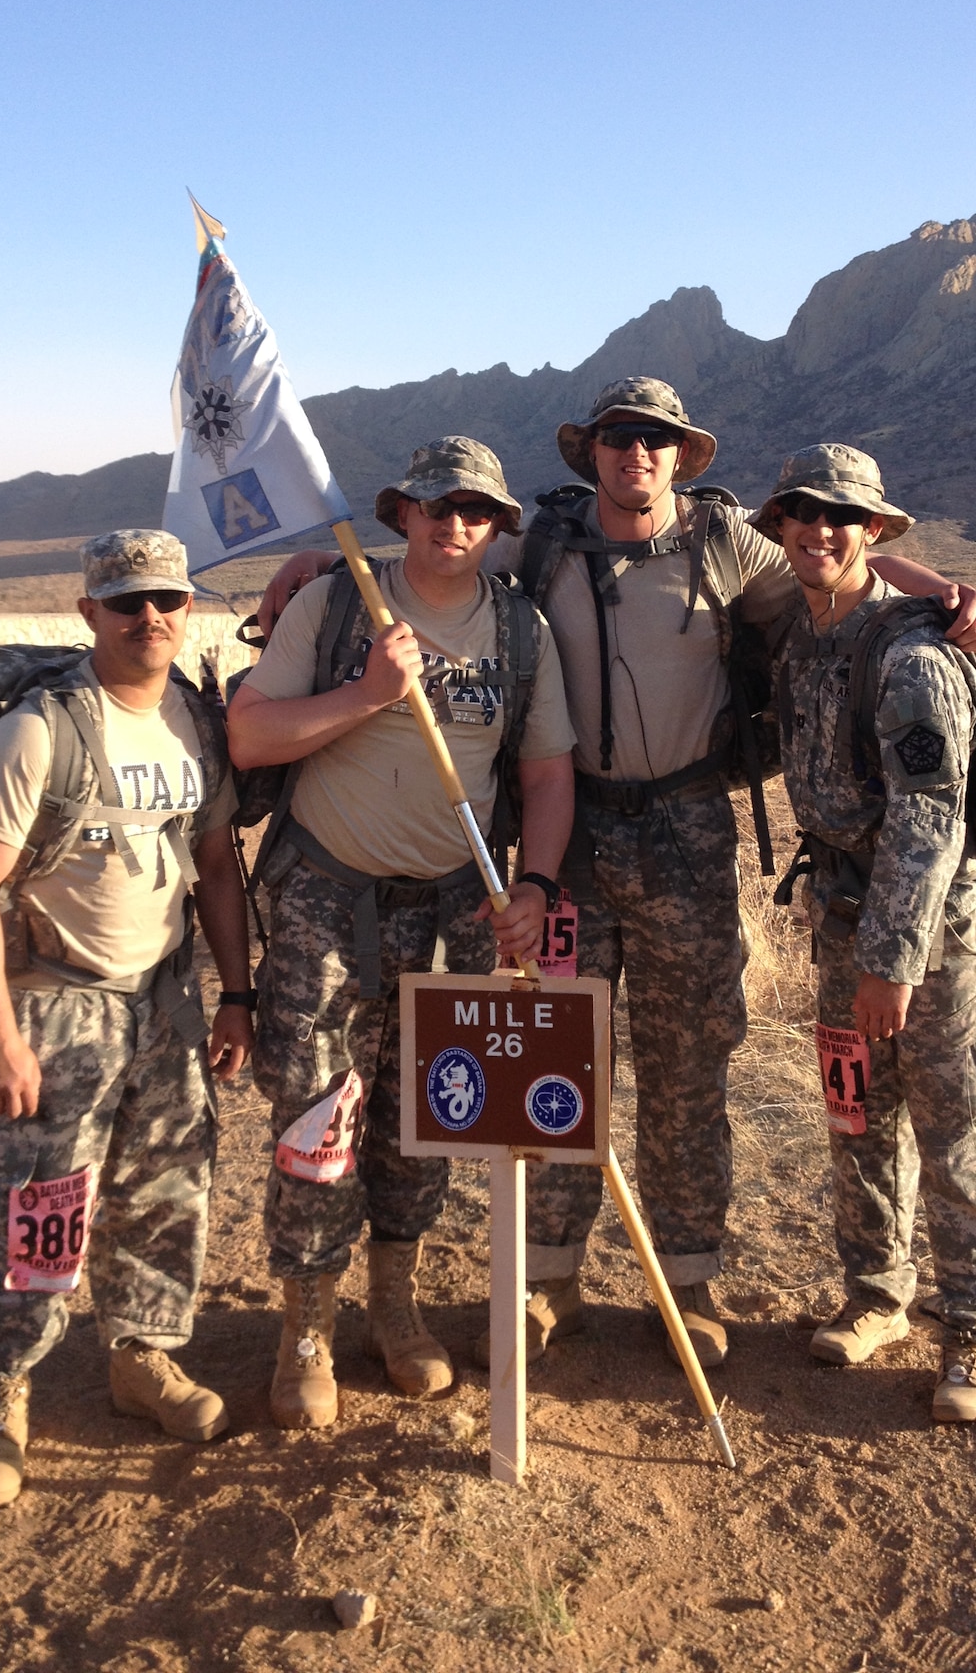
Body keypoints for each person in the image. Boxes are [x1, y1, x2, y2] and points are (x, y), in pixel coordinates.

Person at [258, 380, 976, 1373]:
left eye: (655, 439)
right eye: (618, 437)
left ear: (681, 455)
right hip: (574, 845)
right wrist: (313, 566)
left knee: (689, 1066)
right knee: (552, 1057)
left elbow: (841, 567)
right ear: (592, 452)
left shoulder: (729, 543)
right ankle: (547, 1276)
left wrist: (946, 592)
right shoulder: (543, 543)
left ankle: (686, 1282)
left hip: (690, 831)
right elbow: (438, 552)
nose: (636, 453)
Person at [225, 437, 575, 1430]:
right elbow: (250, 734)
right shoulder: (338, 607)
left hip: (452, 904)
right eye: (435, 504)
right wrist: (367, 694)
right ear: (401, 513)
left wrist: (536, 883)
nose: (453, 523)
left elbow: (546, 776)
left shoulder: (520, 628)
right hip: (328, 898)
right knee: (317, 1114)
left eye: (475, 510)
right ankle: (305, 1329)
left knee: (427, 1114)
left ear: (497, 525)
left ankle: (394, 1304)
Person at [0, 530, 253, 1510]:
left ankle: (143, 1358)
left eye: (166, 598)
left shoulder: (193, 721)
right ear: (89, 613)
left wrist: (235, 990)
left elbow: (213, 867)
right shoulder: (37, 730)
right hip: (58, 995)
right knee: (43, 1202)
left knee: (167, 1188)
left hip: (163, 994)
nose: (150, 616)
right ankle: (5, 1392)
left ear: (187, 607)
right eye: (127, 602)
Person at [757, 445, 976, 1421]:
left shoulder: (910, 651)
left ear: (873, 530)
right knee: (856, 1118)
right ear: (781, 524)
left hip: (936, 936)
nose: (820, 529)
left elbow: (930, 816)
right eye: (803, 512)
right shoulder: (802, 637)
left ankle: (975, 1335)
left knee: (958, 1134)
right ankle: (877, 1294)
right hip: (840, 918)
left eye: (843, 516)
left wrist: (890, 959)